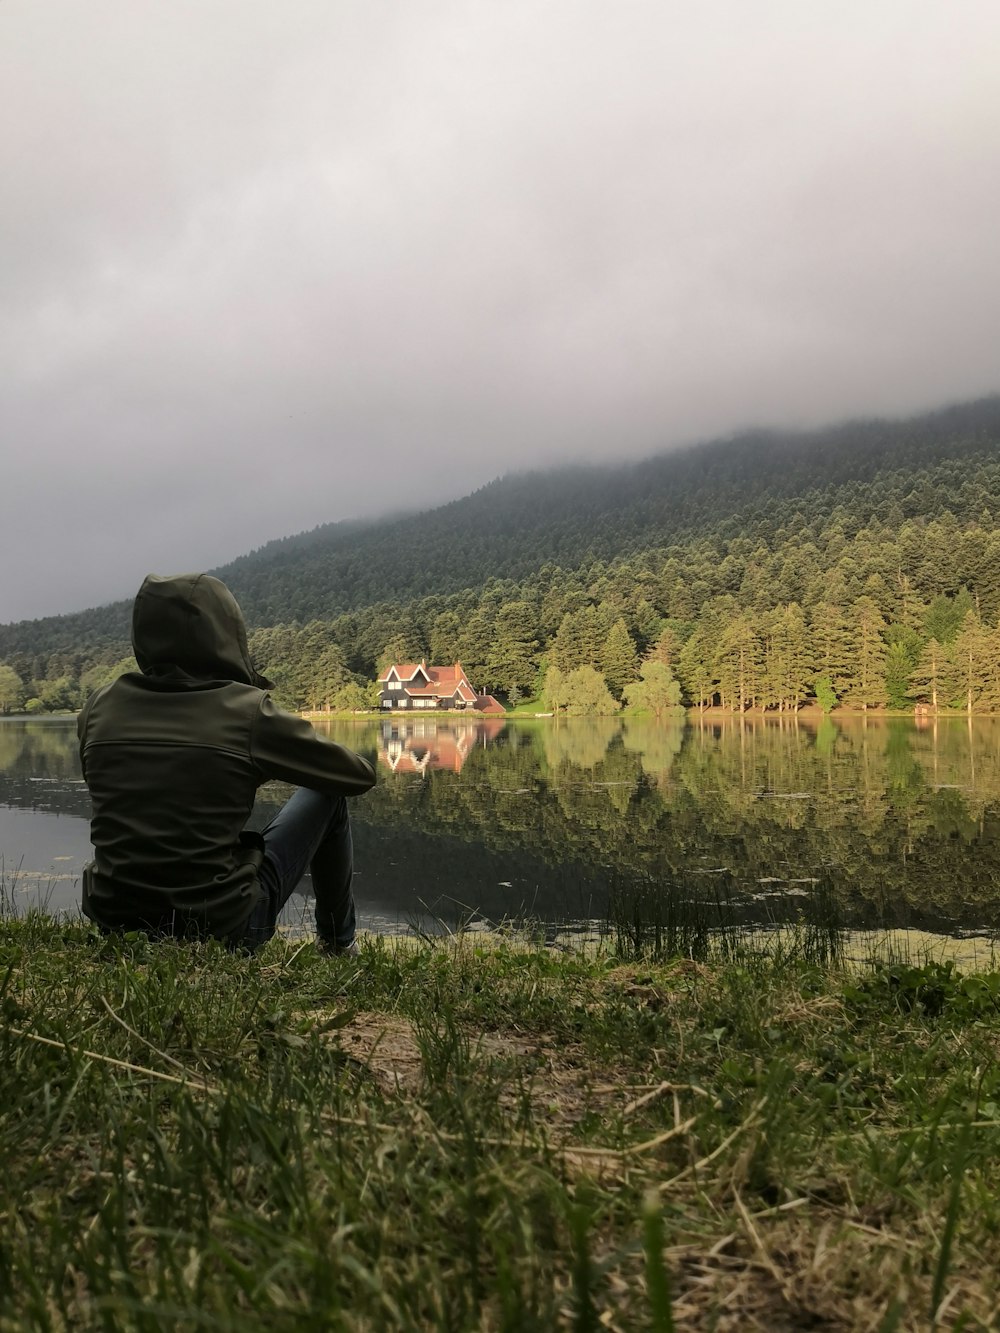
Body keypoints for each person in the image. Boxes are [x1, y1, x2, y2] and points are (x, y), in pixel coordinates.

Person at [77, 572, 376, 953]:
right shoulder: (247, 711)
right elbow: (356, 776)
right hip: (222, 927)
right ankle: (338, 944)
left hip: (113, 921)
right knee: (326, 794)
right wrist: (262, 762)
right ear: (227, 633)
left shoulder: (98, 707)